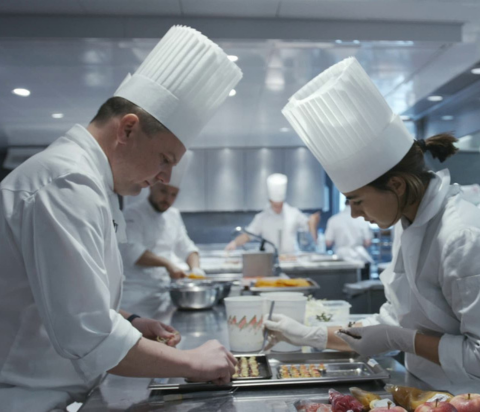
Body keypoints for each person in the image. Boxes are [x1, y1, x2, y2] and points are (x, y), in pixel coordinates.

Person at [0, 26, 242, 411]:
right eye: (165, 159)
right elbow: (86, 333)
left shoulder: (93, 183)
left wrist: (129, 320)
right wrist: (193, 362)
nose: (164, 178)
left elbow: (69, 295)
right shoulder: (66, 182)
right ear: (127, 128)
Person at [265, 57, 480, 394]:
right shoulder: (407, 223)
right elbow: (392, 325)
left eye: (357, 200)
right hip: (424, 392)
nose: (353, 214)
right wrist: (313, 335)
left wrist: (399, 338)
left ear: (395, 185)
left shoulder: (462, 236)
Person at [120, 155, 205, 317]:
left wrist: (196, 268)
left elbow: (187, 247)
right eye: (164, 191)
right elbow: (133, 251)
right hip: (135, 300)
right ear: (152, 187)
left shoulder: (173, 215)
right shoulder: (133, 214)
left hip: (164, 297)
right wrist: (168, 264)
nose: (167, 199)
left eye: (173, 195)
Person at [225, 173, 318, 254]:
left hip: (292, 258)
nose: (278, 208)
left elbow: (308, 225)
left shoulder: (294, 213)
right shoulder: (262, 217)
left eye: (280, 205)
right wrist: (234, 243)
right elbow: (248, 235)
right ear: (270, 201)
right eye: (275, 205)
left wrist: (313, 220)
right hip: (270, 259)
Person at [325, 200, 373, 279]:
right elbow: (368, 242)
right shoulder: (363, 219)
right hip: (360, 257)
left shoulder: (333, 219)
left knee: (341, 285)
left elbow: (328, 242)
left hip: (341, 258)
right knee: (361, 286)